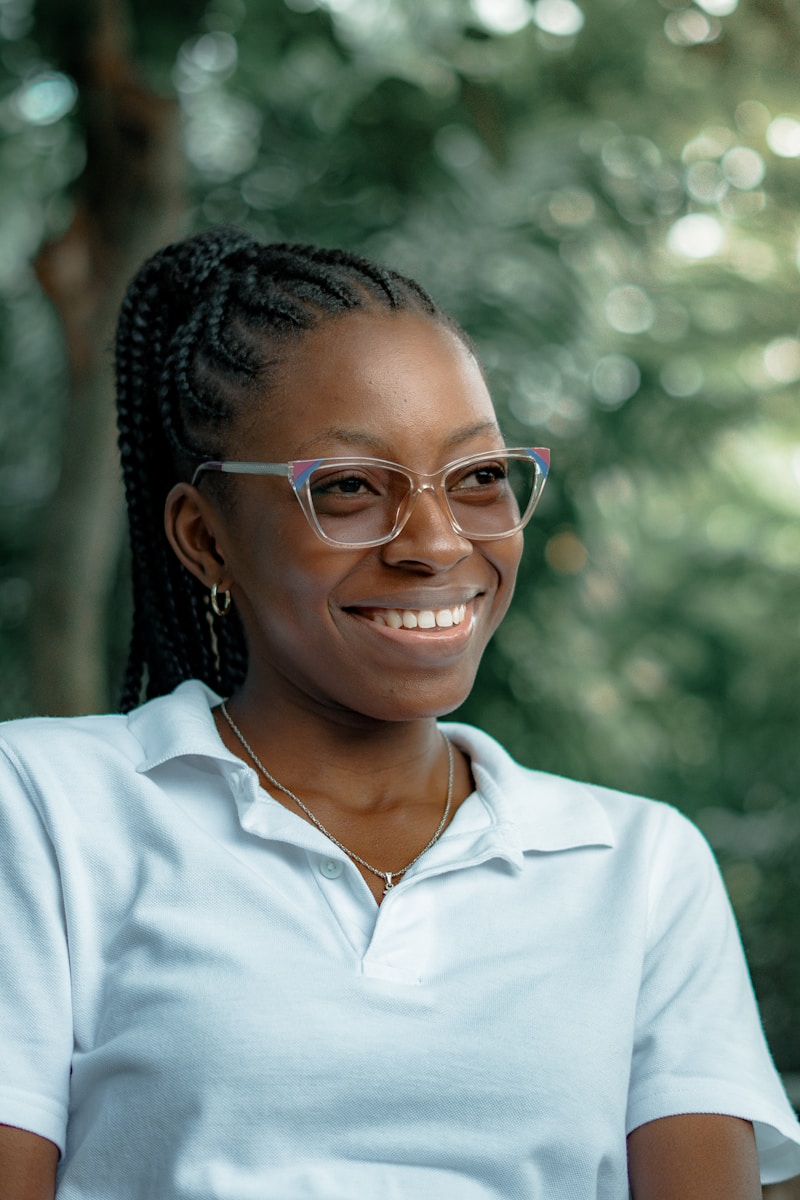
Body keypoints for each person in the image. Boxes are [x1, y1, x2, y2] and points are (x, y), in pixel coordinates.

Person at [0, 229, 799, 1200]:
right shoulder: (45, 809)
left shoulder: (636, 870)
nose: (433, 542)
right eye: (346, 489)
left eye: (476, 479)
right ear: (203, 538)